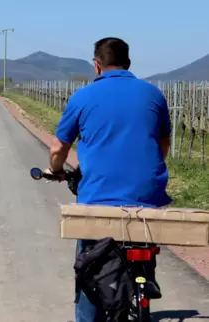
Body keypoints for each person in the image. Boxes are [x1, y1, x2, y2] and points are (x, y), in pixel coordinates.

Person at [44, 37, 173, 322]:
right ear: (128, 63)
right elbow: (163, 145)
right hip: (146, 199)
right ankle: (142, 287)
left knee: (89, 267)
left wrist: (55, 169)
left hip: (99, 199)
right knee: (143, 251)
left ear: (97, 65)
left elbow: (57, 148)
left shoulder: (83, 97)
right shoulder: (153, 94)